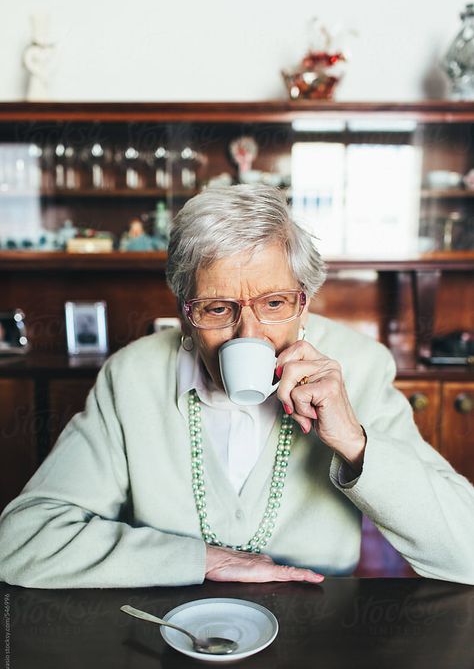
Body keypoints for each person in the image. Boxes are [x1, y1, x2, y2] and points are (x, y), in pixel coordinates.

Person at [0, 185, 473, 588]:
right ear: (185, 316)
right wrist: (198, 560)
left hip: (318, 633)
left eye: (274, 303)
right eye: (217, 308)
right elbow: (22, 540)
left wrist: (354, 442)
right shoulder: (133, 377)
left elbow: (466, 551)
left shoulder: (360, 368)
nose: (250, 335)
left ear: (305, 305)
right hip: (172, 625)